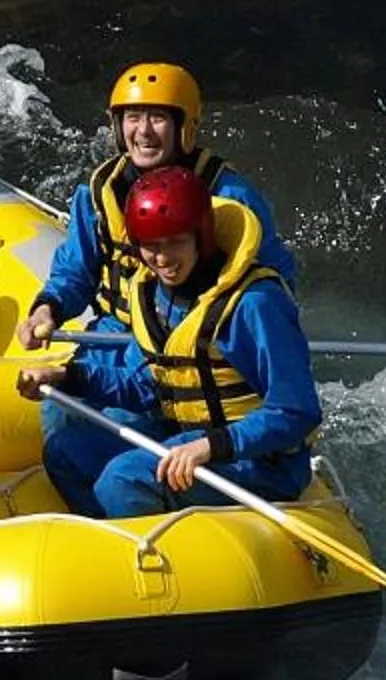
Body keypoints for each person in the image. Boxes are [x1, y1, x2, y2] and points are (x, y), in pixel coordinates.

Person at [18, 164, 319, 519]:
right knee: (66, 451)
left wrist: (211, 446)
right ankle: (113, 539)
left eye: (176, 242)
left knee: (124, 479)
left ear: (201, 237)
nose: (162, 259)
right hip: (185, 431)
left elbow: (297, 411)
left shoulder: (255, 304)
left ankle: (152, 563)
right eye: (151, 245)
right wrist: (68, 377)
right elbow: (152, 385)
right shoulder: (153, 293)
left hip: (257, 458)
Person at [16, 60, 295, 351]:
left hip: (198, 337)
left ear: (183, 126)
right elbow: (75, 272)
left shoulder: (230, 196)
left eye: (158, 118)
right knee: (59, 395)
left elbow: (274, 280)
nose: (144, 131)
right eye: (133, 117)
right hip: (118, 335)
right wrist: (47, 308)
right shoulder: (99, 193)